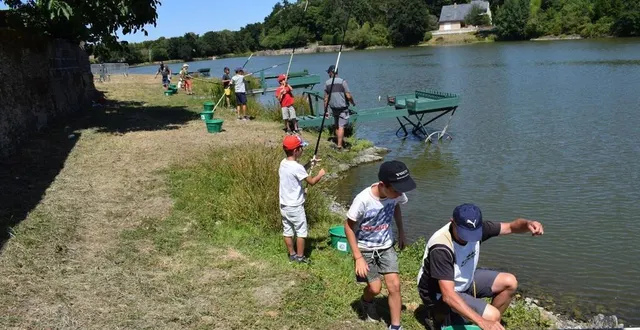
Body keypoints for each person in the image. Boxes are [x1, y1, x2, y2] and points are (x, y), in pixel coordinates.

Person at [417, 203, 545, 330]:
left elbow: (511, 227)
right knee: (491, 316)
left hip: (464, 279)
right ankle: (436, 317)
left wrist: (528, 224)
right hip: (439, 293)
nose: (469, 238)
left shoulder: (477, 228)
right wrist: (482, 321)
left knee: (509, 282)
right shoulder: (441, 247)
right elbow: (448, 295)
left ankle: (485, 321)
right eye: (464, 232)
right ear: (452, 222)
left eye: (473, 233)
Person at [344, 160, 416, 330]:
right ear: (383, 185)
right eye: (397, 190)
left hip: (386, 246)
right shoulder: (362, 200)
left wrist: (401, 232)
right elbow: (348, 227)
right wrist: (358, 257)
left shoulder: (396, 194)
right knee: (375, 288)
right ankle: (366, 301)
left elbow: (397, 207)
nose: (400, 194)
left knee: (395, 285)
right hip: (365, 249)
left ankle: (396, 326)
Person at [279, 135, 325, 264]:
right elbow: (311, 182)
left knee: (287, 230)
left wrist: (310, 164)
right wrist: (320, 174)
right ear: (295, 151)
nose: (302, 150)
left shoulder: (283, 163)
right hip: (295, 206)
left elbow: (298, 172)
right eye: (301, 148)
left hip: (284, 205)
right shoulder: (297, 167)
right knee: (301, 232)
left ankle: (292, 254)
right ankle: (300, 257)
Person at [324, 64, 355, 150]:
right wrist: (353, 103)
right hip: (342, 108)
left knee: (337, 125)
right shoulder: (342, 82)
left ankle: (339, 141)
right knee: (341, 126)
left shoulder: (327, 83)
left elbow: (326, 99)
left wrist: (325, 110)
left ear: (331, 73)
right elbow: (348, 96)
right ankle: (339, 146)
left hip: (333, 108)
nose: (328, 74)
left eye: (328, 73)